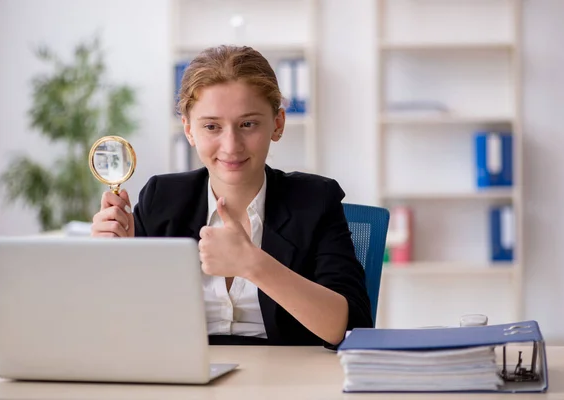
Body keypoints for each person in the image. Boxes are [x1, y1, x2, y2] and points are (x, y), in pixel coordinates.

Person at [91, 45, 372, 347]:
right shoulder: (161, 199)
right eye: (212, 126)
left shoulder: (316, 200)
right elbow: (124, 328)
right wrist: (112, 262)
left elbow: (349, 328)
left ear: (277, 124)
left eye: (248, 124)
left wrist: (252, 264)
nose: (231, 145)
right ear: (188, 129)